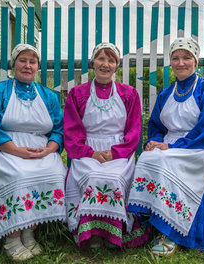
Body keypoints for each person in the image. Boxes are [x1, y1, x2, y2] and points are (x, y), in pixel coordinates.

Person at [0, 44, 67, 261]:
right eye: (23, 60)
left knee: (55, 174)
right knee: (19, 175)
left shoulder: (48, 96)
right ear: (14, 64)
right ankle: (11, 237)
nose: (27, 66)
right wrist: (17, 151)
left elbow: (58, 130)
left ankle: (29, 232)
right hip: (4, 150)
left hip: (41, 151)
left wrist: (48, 150)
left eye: (32, 62)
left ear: (38, 67)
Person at [127, 37, 204, 256]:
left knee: (163, 161)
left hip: (199, 147)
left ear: (196, 61)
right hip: (169, 145)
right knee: (146, 158)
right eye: (175, 58)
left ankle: (170, 232)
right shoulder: (166, 94)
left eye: (186, 57)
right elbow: (156, 125)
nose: (181, 63)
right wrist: (154, 142)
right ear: (171, 62)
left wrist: (171, 148)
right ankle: (144, 223)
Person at [63, 42, 149, 249]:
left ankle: (114, 231)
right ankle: (92, 233)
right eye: (101, 59)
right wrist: (89, 153)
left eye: (111, 60)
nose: (105, 64)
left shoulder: (129, 94)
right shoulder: (77, 93)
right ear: (93, 63)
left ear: (116, 66)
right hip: (87, 151)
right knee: (92, 176)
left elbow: (133, 131)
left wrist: (115, 153)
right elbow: (72, 131)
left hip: (119, 151)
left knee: (115, 178)